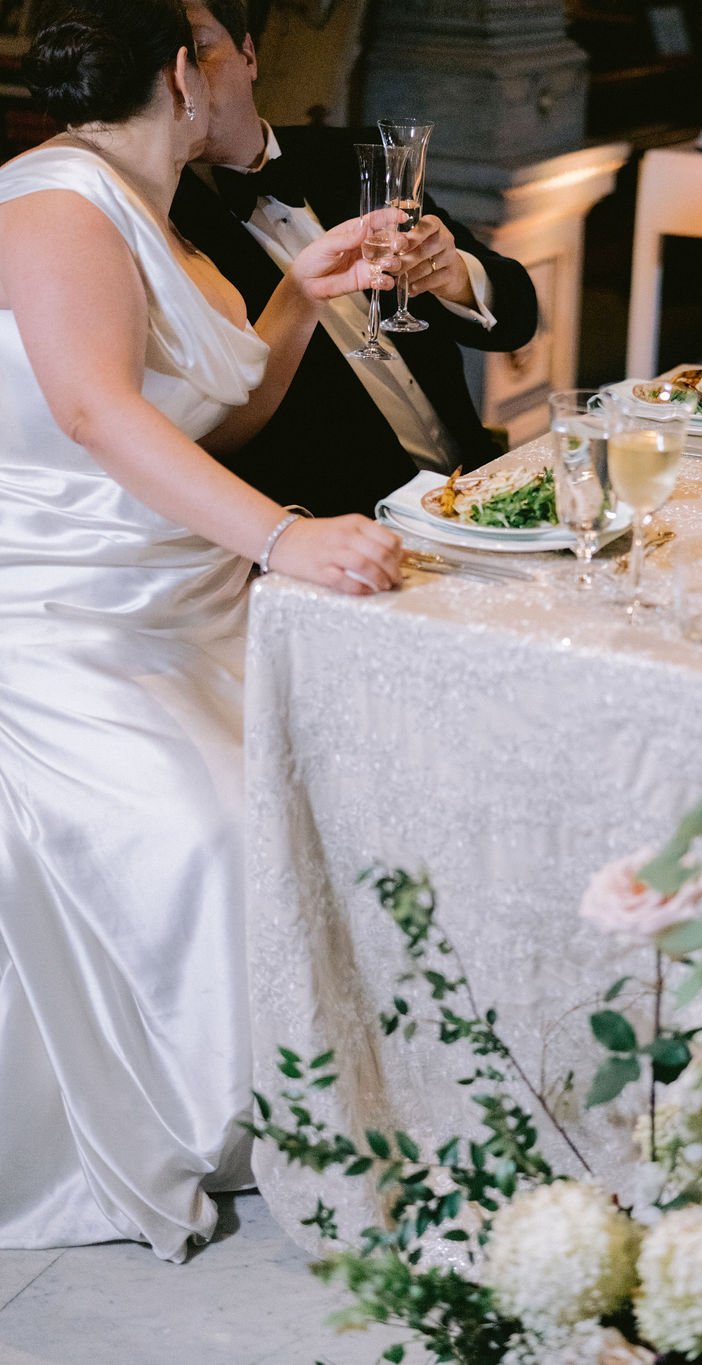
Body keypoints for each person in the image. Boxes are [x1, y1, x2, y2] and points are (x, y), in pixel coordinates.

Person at [0, 0, 404, 1262]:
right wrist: (287, 538)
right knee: (213, 836)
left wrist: (295, 298)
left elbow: (197, 432)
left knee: (353, 792)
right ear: (186, 72)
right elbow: (93, 417)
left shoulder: (159, 220)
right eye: (238, 60)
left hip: (195, 606)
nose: (252, 86)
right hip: (71, 622)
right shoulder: (57, 203)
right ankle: (235, 1119)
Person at [169, 0, 540, 518]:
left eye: (200, 50)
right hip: (350, 525)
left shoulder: (354, 158)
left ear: (248, 54)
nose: (181, 78)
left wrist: (458, 278)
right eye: (163, 61)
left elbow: (520, 316)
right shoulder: (166, 225)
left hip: (477, 484)